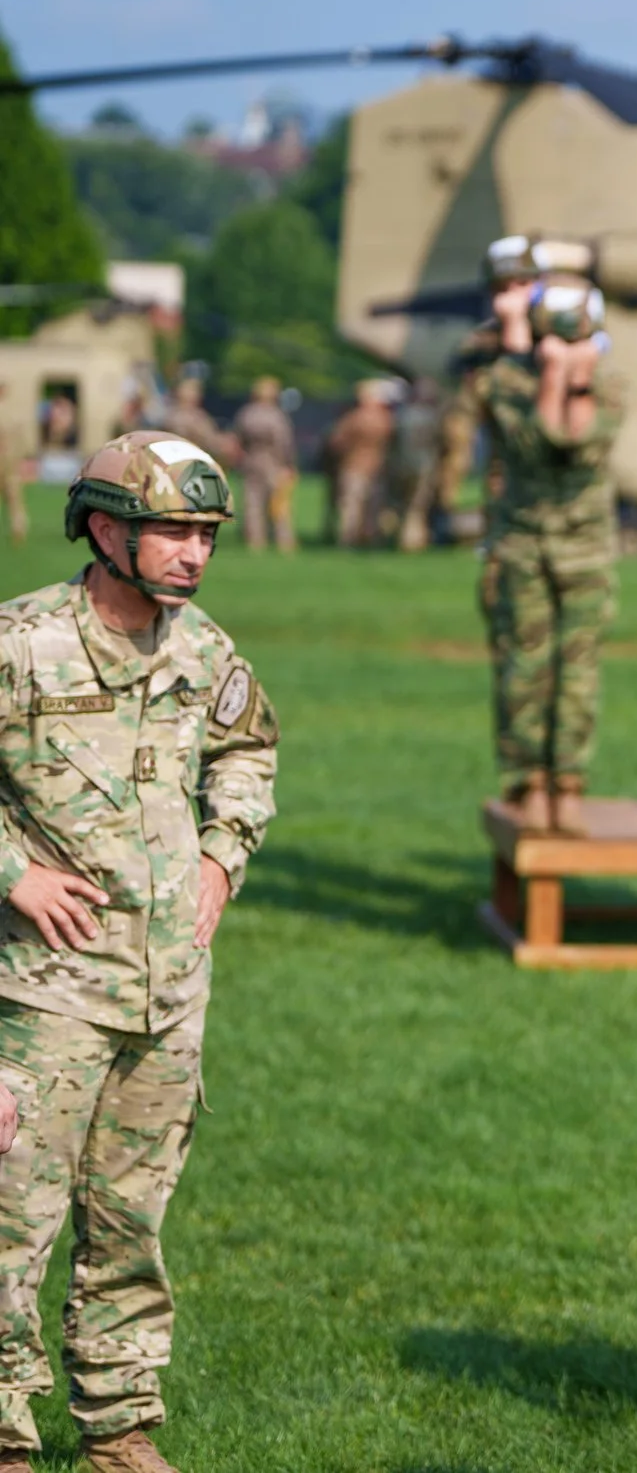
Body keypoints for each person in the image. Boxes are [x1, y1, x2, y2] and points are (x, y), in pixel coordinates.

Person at [0, 432, 280, 1473]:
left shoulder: (203, 647)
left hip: (167, 993)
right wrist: (12, 873)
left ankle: (119, 1429)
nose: (194, 552)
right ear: (105, 528)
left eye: (205, 533)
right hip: (44, 989)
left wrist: (221, 853)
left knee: (129, 1225)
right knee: (8, 1228)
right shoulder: (23, 642)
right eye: (173, 529)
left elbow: (250, 747)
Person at [476, 275, 625, 835]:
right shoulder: (504, 382)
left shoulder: (612, 383)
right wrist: (554, 379)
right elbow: (538, 441)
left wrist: (578, 382)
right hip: (524, 543)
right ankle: (526, 780)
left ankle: (568, 780)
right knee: (524, 666)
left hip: (584, 546)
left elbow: (581, 446)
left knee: (579, 670)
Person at [435, 236, 550, 539]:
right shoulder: (482, 346)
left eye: (521, 284)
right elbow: (460, 422)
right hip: (506, 481)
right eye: (500, 288)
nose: (509, 297)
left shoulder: (560, 339)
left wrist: (519, 341)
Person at [230, 377, 298, 554]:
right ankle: (284, 542)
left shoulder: (247, 414)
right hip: (274, 464)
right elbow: (285, 443)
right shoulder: (277, 416)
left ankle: (255, 541)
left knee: (252, 504)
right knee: (279, 504)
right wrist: (289, 464)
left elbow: (238, 440)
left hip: (251, 462)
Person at [325, 379, 395, 548]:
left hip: (353, 466)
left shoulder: (352, 419)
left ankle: (348, 540)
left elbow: (335, 443)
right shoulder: (387, 420)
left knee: (351, 506)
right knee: (373, 506)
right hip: (378, 467)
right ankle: (371, 540)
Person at [390, 377, 444, 552]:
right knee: (416, 508)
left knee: (398, 504)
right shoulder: (433, 418)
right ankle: (411, 542)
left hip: (401, 465)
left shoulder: (402, 416)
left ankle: (392, 535)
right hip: (424, 466)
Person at [0, 384, 27, 547]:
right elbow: (21, 439)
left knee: (14, 499)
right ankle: (18, 527)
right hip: (11, 461)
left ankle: (18, 527)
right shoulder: (12, 414)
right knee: (14, 500)